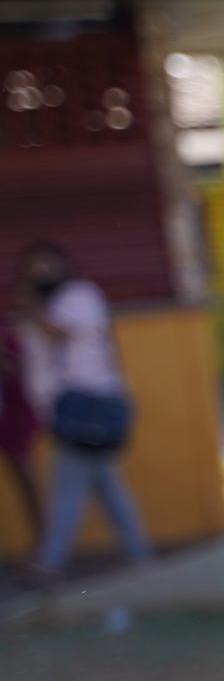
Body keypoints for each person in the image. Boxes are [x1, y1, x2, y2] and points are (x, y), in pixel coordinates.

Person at [18, 242, 149, 585]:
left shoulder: (80, 297)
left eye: (48, 268)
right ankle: (139, 555)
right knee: (107, 485)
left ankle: (51, 563)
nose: (42, 275)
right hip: (69, 409)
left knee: (68, 486)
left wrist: (32, 303)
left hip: (89, 406)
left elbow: (57, 333)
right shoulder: (50, 304)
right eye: (36, 269)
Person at [0, 319, 39, 561]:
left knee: (27, 482)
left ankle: (45, 547)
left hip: (12, 420)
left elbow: (20, 370)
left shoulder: (7, 335)